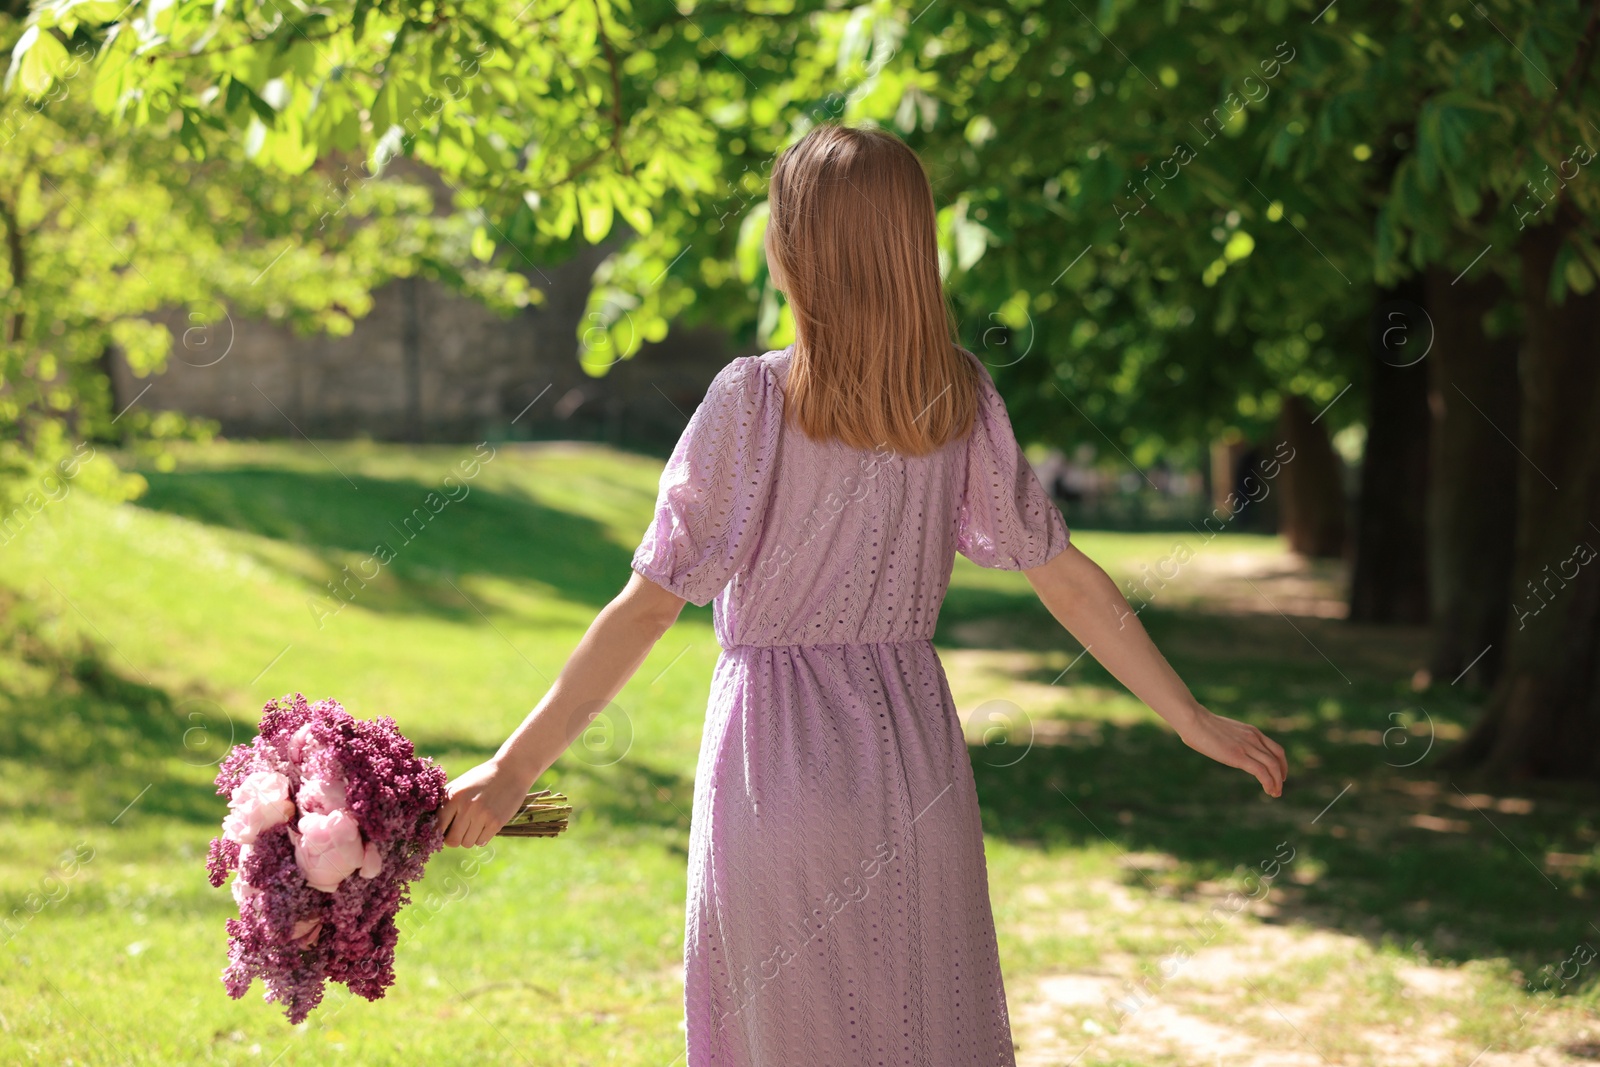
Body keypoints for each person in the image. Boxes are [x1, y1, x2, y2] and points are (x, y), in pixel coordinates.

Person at [437, 124, 1287, 1067]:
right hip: (911, 765)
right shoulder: (956, 398)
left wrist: (513, 768)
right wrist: (1189, 715)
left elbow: (646, 608)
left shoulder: (752, 400)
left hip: (772, 770)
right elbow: (1066, 578)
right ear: (914, 245)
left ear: (791, 248)